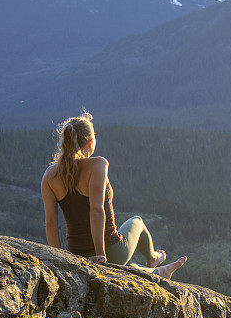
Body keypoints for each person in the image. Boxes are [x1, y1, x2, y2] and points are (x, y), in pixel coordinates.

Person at [40, 110, 186, 279]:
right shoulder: (97, 165)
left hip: (75, 254)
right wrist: (101, 255)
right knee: (137, 221)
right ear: (90, 142)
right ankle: (153, 259)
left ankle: (160, 271)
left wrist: (60, 259)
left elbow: (50, 222)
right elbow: (96, 209)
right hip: (111, 251)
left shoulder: (50, 175)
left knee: (127, 268)